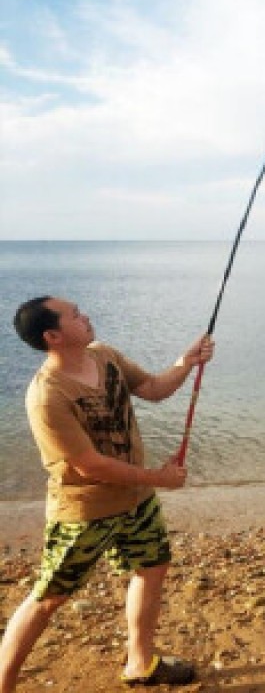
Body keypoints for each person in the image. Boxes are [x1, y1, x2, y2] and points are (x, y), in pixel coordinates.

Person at [0, 296, 215, 690]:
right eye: (75, 316)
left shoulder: (105, 356)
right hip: (84, 512)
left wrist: (186, 362)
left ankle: (140, 663)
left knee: (152, 569)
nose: (86, 317)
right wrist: (158, 478)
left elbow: (152, 388)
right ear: (53, 335)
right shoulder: (47, 396)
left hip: (136, 501)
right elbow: (91, 466)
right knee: (49, 597)